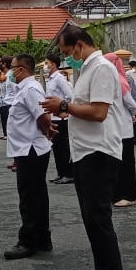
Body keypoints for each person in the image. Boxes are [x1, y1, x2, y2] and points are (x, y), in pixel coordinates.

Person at [42, 26, 128, 270]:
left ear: (79, 46)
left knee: (99, 221)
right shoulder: (87, 70)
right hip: (85, 153)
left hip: (99, 152)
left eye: (68, 54)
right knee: (92, 221)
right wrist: (60, 112)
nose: (68, 60)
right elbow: (82, 109)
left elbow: (99, 112)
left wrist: (64, 104)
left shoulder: (101, 68)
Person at [4, 53, 54, 259]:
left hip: (31, 148)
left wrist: (46, 131)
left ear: (22, 69)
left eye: (11, 67)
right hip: (27, 148)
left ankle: (28, 241)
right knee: (37, 194)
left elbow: (42, 116)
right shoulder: (24, 88)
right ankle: (42, 239)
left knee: (29, 196)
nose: (8, 71)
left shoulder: (31, 89)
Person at [105, 53, 136, 208]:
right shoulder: (111, 80)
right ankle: (118, 193)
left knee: (126, 164)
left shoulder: (119, 81)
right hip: (115, 128)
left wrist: (131, 115)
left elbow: (131, 104)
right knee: (117, 163)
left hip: (123, 129)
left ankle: (130, 195)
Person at [44, 51, 74, 184]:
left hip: (61, 119)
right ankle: (60, 172)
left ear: (54, 64)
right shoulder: (50, 79)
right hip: (53, 118)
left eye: (47, 63)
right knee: (56, 147)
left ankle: (68, 174)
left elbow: (69, 96)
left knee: (64, 147)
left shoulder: (59, 78)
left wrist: (64, 110)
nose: (45, 66)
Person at [0, 56, 15, 138]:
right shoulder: (5, 75)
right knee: (4, 121)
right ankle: (6, 134)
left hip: (9, 103)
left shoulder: (11, 75)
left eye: (0, 63)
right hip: (3, 103)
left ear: (4, 64)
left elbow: (15, 89)